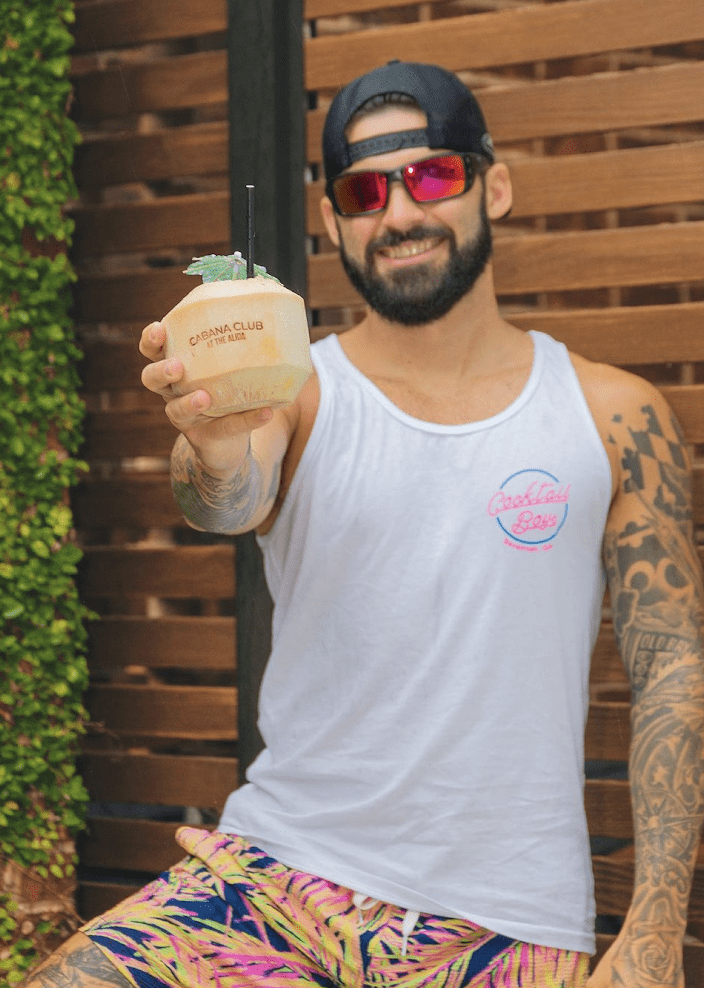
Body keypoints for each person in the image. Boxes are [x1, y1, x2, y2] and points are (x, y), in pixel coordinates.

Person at [29, 61, 704, 988]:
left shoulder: (614, 415)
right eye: (363, 190)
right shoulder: (291, 391)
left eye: (432, 176)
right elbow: (227, 497)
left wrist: (657, 927)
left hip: (504, 926)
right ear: (331, 220)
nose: (398, 215)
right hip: (274, 886)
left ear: (493, 186)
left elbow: (672, 664)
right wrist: (214, 445)